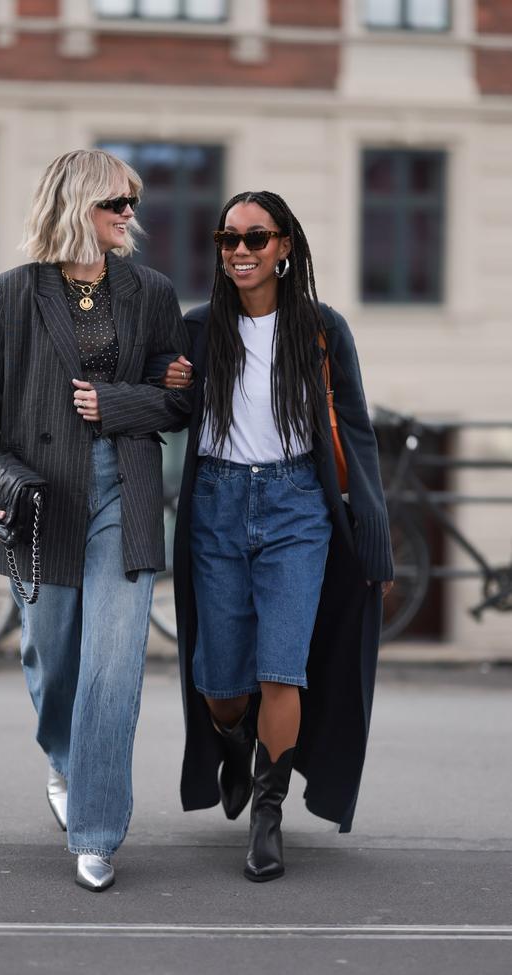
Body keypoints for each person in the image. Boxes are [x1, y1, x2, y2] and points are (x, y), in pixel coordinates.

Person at [0, 148, 192, 892]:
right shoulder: (12, 295)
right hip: (41, 498)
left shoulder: (151, 292)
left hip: (125, 488)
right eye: (115, 204)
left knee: (113, 665)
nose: (130, 216)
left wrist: (116, 402)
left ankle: (95, 829)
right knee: (52, 655)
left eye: (131, 203)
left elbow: (181, 400)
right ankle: (63, 758)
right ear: (77, 205)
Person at [169, 190, 394, 883]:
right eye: (228, 238)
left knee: (281, 668)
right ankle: (235, 748)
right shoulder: (198, 329)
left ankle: (268, 813)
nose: (240, 250)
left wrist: (376, 537)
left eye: (256, 238)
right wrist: (171, 384)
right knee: (223, 685)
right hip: (216, 504)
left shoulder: (323, 329)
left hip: (299, 505)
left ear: (285, 246)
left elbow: (356, 433)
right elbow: (171, 416)